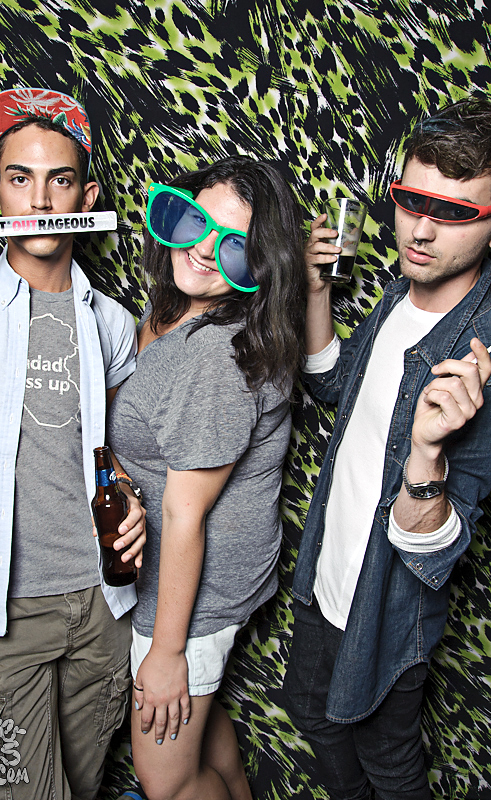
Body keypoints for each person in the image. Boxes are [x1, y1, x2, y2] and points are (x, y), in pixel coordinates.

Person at [0, 87, 146, 800]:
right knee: (3, 786)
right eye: (20, 179)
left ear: (87, 195)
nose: (41, 199)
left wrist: (132, 499)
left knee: (80, 786)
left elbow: (113, 454)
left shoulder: (113, 321)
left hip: (104, 607)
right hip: (5, 616)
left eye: (60, 180)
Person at [283, 96, 491, 800]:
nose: (421, 231)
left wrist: (427, 454)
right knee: (312, 714)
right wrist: (316, 291)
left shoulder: (478, 354)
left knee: (388, 757)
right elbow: (334, 387)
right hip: (327, 574)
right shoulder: (401, 294)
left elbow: (437, 553)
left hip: (385, 609)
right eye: (411, 201)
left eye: (454, 212)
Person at [107, 156, 306, 800]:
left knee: (165, 779)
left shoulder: (216, 356)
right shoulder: (181, 308)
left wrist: (168, 654)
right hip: (199, 573)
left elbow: (187, 513)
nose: (203, 249)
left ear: (263, 265)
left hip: (195, 591)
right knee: (198, 712)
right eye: (198, 223)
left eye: (235, 245)